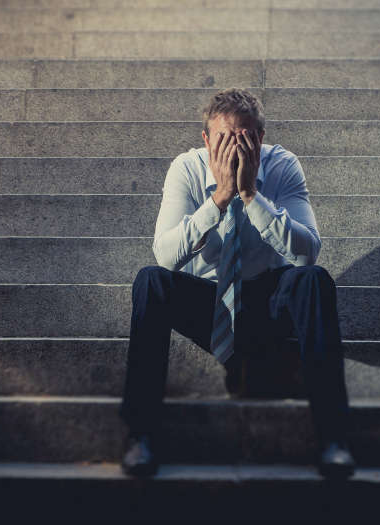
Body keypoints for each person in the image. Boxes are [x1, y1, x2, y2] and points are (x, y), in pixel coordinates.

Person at [119, 87, 355, 479]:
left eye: (243, 137)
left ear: (260, 138)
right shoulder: (187, 168)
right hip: (209, 304)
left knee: (313, 280)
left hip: (268, 299)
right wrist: (220, 198)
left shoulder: (282, 166)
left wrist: (249, 194)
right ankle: (140, 435)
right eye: (223, 139)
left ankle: (334, 438)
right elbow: (165, 254)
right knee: (151, 281)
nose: (232, 148)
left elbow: (307, 251)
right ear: (206, 140)